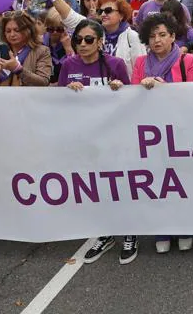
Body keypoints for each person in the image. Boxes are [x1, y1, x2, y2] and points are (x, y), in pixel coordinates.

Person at [60, 20, 134, 264]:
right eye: (78, 39)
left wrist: (120, 88)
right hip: (85, 138)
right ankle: (105, 233)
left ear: (100, 41)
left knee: (120, 185)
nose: (82, 44)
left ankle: (130, 232)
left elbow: (132, 100)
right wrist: (68, 91)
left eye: (89, 39)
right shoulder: (68, 65)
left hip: (114, 137)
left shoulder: (115, 64)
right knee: (97, 187)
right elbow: (58, 102)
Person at [131, 12, 193, 254]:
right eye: (152, 36)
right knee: (158, 181)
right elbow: (132, 96)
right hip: (151, 132)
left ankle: (184, 228)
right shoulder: (140, 63)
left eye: (162, 35)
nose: (157, 40)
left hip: (180, 129)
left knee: (181, 180)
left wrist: (165, 88)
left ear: (173, 36)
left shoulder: (187, 60)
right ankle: (162, 228)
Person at [41, 0, 146, 77]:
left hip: (125, 91)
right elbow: (69, 15)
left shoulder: (132, 37)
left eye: (108, 10)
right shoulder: (95, 30)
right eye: (101, 11)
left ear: (121, 15)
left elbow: (140, 72)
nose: (103, 14)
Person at [0, 11, 52, 87]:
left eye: (17, 30)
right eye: (8, 31)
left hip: (29, 98)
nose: (12, 34)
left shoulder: (42, 51)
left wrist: (18, 69)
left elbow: (43, 82)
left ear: (28, 30)